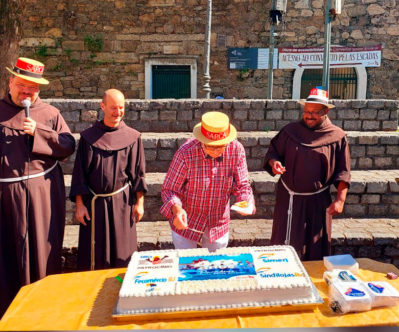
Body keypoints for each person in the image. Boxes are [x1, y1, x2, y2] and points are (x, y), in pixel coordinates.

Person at [0, 57, 75, 316]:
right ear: (11, 82)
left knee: (43, 250)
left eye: (33, 88)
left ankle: (43, 309)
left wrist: (39, 132)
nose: (27, 92)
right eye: (22, 85)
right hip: (5, 200)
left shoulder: (50, 114)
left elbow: (67, 145)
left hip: (43, 197)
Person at [263, 87, 351, 260]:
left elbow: (343, 171)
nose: (309, 115)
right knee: (283, 243)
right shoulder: (290, 131)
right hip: (288, 198)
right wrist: (275, 164)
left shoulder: (337, 136)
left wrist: (340, 200)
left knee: (315, 246)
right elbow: (273, 153)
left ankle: (312, 281)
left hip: (318, 201)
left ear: (326, 111)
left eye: (315, 112)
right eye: (306, 111)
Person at [69, 89, 147, 270]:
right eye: (113, 108)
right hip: (94, 206)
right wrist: (80, 205)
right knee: (94, 256)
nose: (117, 112)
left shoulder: (133, 137)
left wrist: (140, 203)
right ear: (102, 106)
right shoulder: (88, 138)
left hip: (122, 204)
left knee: (123, 255)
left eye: (121, 108)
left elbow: (138, 174)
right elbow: (79, 174)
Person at [160, 111, 255, 251]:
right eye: (210, 146)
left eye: (221, 146)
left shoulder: (236, 150)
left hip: (218, 222)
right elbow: (170, 189)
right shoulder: (186, 153)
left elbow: (242, 185)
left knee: (216, 267)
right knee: (187, 267)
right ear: (201, 140)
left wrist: (245, 201)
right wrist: (176, 209)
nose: (216, 151)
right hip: (187, 221)